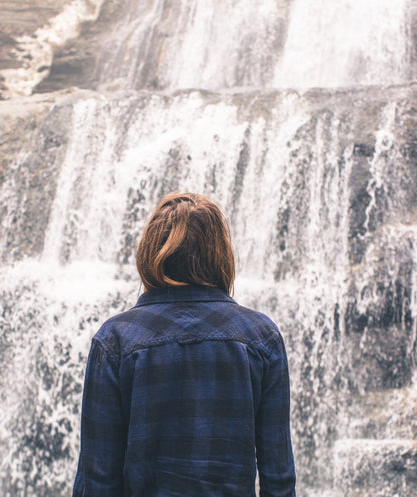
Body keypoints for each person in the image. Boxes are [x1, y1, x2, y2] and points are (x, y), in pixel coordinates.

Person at [72, 192, 296, 497]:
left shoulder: (116, 340)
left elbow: (97, 480)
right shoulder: (261, 337)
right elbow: (279, 479)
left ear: (151, 251)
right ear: (220, 253)